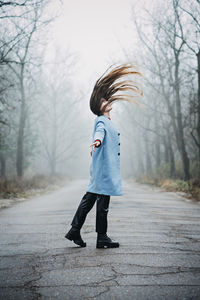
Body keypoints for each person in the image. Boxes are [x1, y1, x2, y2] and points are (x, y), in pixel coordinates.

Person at [65, 63, 143, 248]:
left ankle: (76, 231)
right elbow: (99, 133)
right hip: (104, 170)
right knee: (101, 203)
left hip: (102, 168)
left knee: (90, 199)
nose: (107, 102)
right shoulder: (101, 121)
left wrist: (97, 143)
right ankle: (101, 238)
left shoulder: (107, 120)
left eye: (105, 99)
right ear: (99, 107)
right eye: (103, 101)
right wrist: (96, 142)